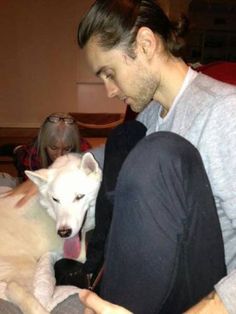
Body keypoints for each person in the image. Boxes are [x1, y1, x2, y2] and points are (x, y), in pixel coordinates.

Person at [76, 0, 236, 313]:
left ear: (146, 44)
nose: (109, 91)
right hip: (160, 278)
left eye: (110, 73)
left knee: (158, 156)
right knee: (126, 141)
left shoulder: (224, 113)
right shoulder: (146, 119)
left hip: (205, 297)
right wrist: (56, 171)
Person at [14, 112, 91, 181]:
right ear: (44, 143)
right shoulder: (32, 154)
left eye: (67, 149)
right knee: (19, 153)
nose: (60, 155)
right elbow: (30, 187)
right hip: (22, 154)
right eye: (54, 148)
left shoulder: (85, 150)